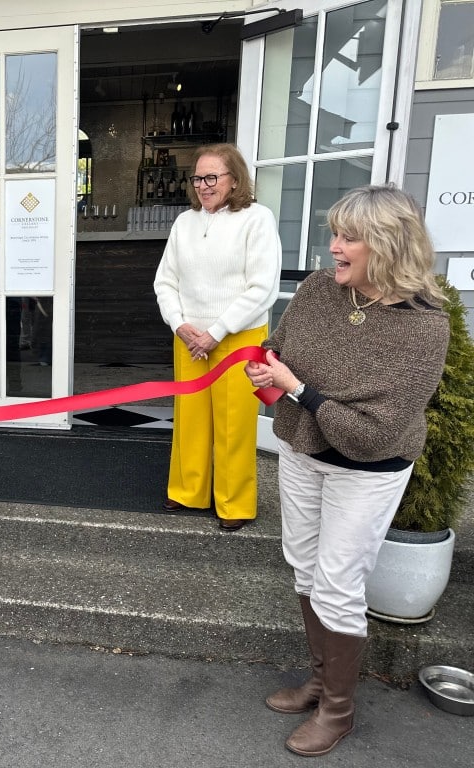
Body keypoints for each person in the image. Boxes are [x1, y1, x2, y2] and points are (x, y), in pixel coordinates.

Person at [245, 185, 448, 756]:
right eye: (334, 233)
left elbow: (375, 433)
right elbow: (277, 348)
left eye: (348, 238)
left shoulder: (424, 329)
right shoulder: (316, 290)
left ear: (387, 245)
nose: (334, 247)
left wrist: (297, 389)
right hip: (303, 451)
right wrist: (264, 369)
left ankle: (339, 710)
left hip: (369, 469)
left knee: (338, 584)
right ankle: (319, 679)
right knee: (304, 568)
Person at [153, 143, 281, 530]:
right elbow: (165, 281)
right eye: (197, 178)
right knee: (190, 418)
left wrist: (216, 331)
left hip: (240, 336)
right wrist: (179, 324)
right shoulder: (183, 223)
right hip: (190, 337)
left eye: (212, 177)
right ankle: (189, 490)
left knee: (234, 423)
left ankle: (235, 503)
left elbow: (262, 288)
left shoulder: (257, 219)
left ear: (235, 179)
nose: (203, 186)